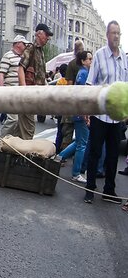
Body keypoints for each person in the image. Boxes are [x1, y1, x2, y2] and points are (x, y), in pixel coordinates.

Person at [83, 21, 127, 204]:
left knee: (112, 155)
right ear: (107, 35)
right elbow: (89, 84)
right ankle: (89, 189)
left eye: (118, 33)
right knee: (94, 153)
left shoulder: (124, 57)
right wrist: (87, 110)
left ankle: (109, 191)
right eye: (113, 33)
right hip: (100, 115)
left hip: (117, 118)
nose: (116, 36)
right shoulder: (99, 56)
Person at [58, 50, 92, 182]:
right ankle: (76, 173)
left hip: (77, 111)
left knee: (79, 141)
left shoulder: (81, 73)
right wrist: (85, 114)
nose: (91, 61)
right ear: (83, 61)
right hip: (81, 111)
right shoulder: (84, 73)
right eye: (89, 59)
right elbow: (82, 95)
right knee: (82, 143)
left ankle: (59, 157)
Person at [0, 35, 29, 136]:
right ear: (18, 44)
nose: (25, 46)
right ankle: (1, 141)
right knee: (13, 119)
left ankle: (10, 144)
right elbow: (1, 73)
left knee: (19, 121)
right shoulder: (8, 56)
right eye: (24, 44)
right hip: (10, 91)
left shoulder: (22, 58)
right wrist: (1, 90)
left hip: (19, 92)